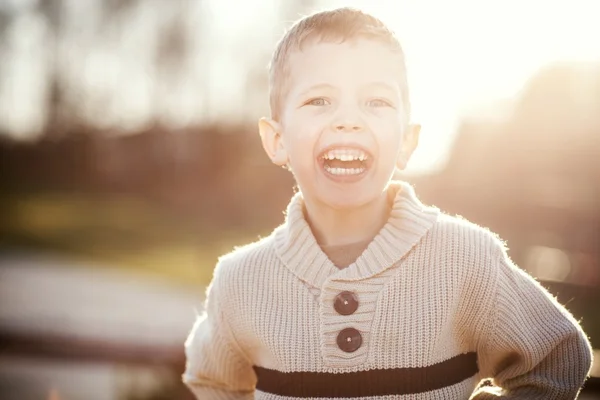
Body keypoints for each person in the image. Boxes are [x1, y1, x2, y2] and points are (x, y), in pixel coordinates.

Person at [182, 7, 593, 399]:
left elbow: (558, 357)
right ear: (277, 140)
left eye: (376, 101)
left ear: (407, 141)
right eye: (319, 100)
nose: (349, 119)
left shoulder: (466, 258)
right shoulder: (240, 281)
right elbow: (212, 379)